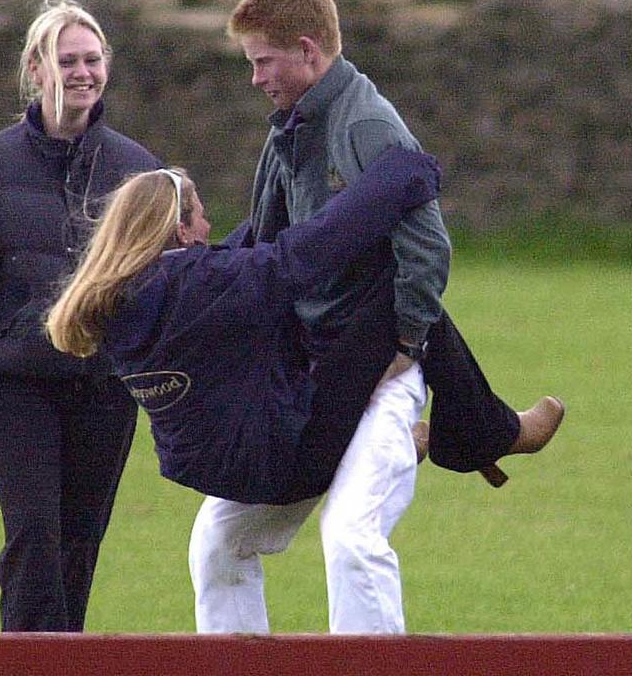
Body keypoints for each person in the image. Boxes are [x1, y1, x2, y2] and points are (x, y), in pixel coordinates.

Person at [181, 0, 566, 635]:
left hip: (384, 374)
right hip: (307, 382)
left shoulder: (367, 124)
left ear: (306, 51)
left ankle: (452, 429)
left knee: (352, 539)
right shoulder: (290, 130)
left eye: (261, 62)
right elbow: (271, 244)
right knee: (218, 542)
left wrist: (407, 347)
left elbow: (429, 247)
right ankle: (478, 429)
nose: (255, 79)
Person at [0, 0, 160, 632]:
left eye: (93, 58)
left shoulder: (137, 170)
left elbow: (167, 280)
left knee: (80, 541)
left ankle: (62, 657)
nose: (82, 71)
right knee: (33, 536)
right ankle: (25, 658)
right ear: (36, 70)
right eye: (66, 59)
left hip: (105, 388)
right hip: (17, 382)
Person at [45, 146, 441, 506]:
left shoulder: (116, 299)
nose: (208, 226)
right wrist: (405, 171)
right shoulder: (199, 287)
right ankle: (453, 435)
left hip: (214, 474)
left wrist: (287, 183)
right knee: (384, 289)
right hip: (284, 468)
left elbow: (238, 251)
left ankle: (475, 428)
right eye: (202, 216)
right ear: (181, 231)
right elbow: (303, 254)